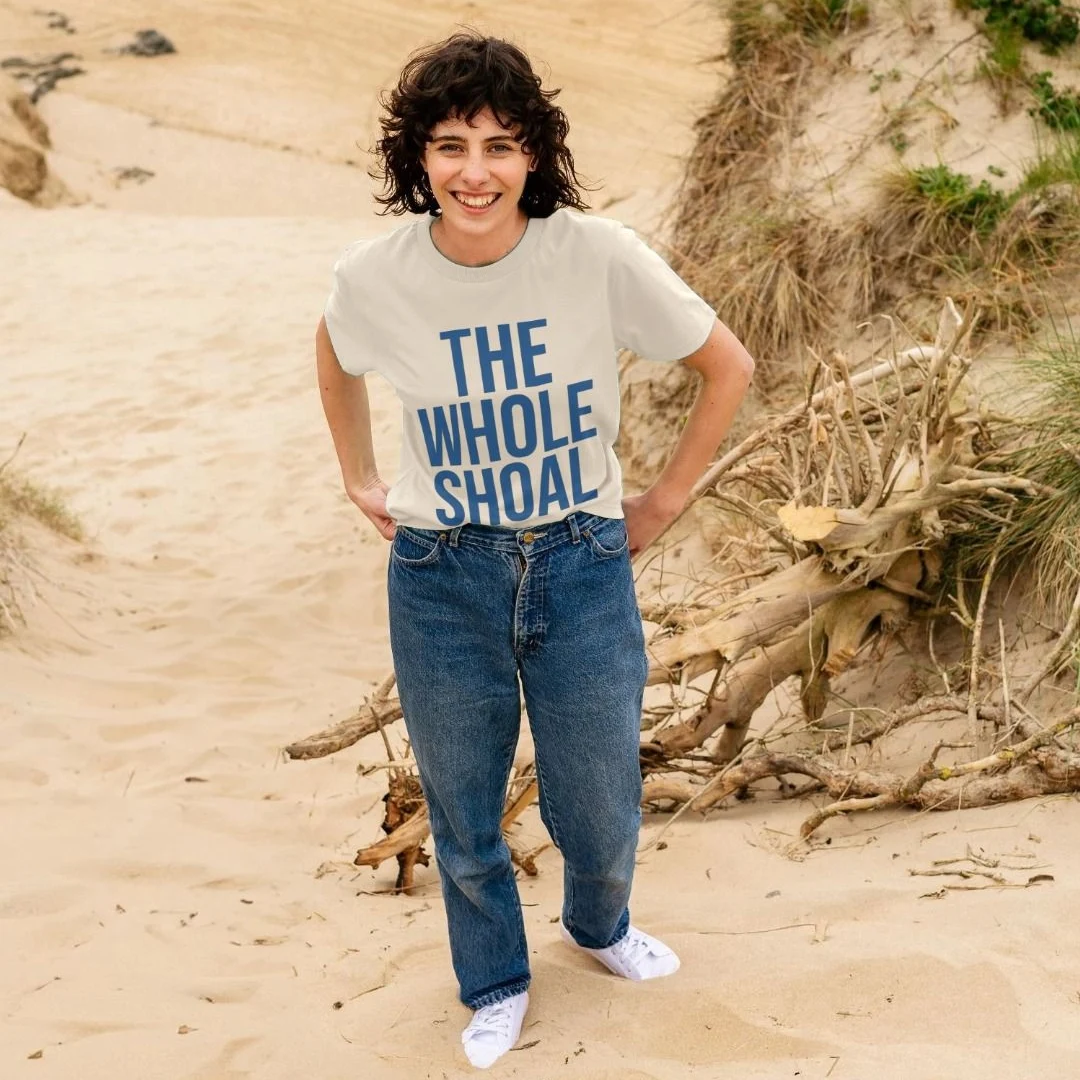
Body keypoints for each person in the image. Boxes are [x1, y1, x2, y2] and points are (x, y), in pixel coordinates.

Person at [316, 31, 754, 1070]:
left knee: (598, 794)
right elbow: (334, 355)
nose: (475, 173)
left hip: (579, 562)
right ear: (417, 156)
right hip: (442, 573)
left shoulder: (594, 255)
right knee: (463, 801)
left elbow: (727, 365)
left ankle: (599, 927)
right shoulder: (375, 275)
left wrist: (664, 501)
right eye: (451, 145)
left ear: (534, 155)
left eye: (500, 146)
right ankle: (496, 982)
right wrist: (358, 475)